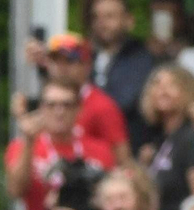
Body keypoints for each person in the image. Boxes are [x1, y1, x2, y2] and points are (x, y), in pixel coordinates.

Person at [6, 80, 116, 210]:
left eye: (67, 105)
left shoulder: (100, 149)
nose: (59, 111)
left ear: (79, 109)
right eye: (51, 105)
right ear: (41, 109)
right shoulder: (21, 146)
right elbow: (15, 191)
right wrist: (29, 142)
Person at [141, 65, 194, 210]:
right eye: (157, 84)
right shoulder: (158, 141)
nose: (163, 90)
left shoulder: (190, 137)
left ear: (187, 92)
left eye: (172, 84)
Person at [43, 33, 131, 166]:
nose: (61, 67)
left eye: (69, 61)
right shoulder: (44, 99)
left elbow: (122, 158)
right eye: (55, 61)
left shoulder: (102, 106)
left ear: (87, 65)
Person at [88, 0, 157, 147]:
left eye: (109, 16)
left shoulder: (141, 57)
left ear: (129, 21)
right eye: (96, 17)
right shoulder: (88, 55)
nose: (101, 23)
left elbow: (123, 101)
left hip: (129, 146)